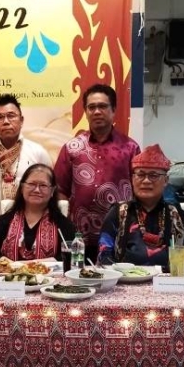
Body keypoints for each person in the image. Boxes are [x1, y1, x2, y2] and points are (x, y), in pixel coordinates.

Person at [54, 84, 140, 252]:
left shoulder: (130, 148)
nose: (97, 111)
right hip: (79, 236)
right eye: (91, 107)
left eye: (102, 106)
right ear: (85, 112)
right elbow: (60, 188)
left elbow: (139, 190)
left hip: (119, 234)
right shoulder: (72, 147)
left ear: (113, 110)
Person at [97, 144, 184, 270]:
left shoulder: (176, 214)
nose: (146, 181)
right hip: (126, 283)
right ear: (132, 179)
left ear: (166, 180)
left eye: (153, 175)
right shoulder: (118, 212)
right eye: (140, 175)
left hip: (168, 282)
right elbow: (104, 254)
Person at [0, 93, 52, 224]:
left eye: (11, 116)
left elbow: (48, 186)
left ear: (21, 120)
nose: (6, 121)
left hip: (30, 224)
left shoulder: (38, 152)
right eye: (0, 117)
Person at [0, 164, 76, 262]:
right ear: (22, 187)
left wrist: (40, 264)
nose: (37, 190)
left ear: (52, 190)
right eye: (31, 184)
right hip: (9, 276)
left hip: (50, 276)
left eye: (43, 185)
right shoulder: (3, 221)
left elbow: (71, 256)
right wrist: (8, 264)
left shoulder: (63, 224)